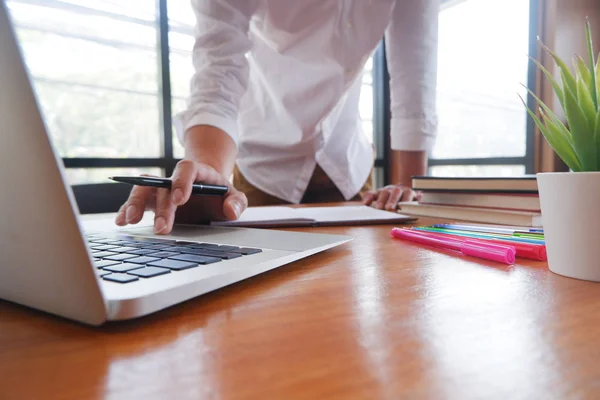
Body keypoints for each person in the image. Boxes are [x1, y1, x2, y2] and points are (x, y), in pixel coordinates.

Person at [116, 0, 439, 234]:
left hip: (347, 166)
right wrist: (209, 173)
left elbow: (414, 79)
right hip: (260, 166)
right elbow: (218, 74)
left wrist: (407, 187)